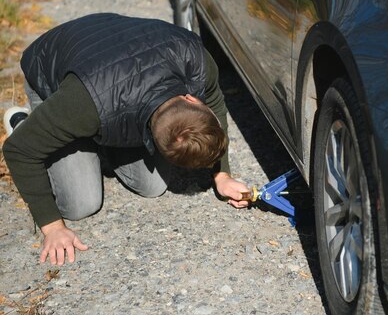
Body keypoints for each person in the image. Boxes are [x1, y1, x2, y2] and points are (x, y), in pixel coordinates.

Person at [2, 13, 251, 266]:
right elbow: (18, 151)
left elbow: (216, 104)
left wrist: (222, 175)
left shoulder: (195, 60)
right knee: (81, 204)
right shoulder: (83, 104)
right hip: (58, 68)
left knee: (153, 185)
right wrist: (52, 227)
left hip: (112, 85)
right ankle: (25, 123)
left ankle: (93, 135)